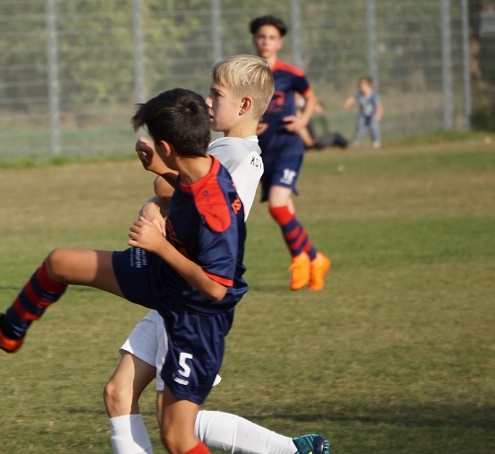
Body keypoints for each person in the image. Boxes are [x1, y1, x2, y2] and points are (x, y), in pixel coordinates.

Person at [0, 88, 246, 454]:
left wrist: (159, 245)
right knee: (60, 263)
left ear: (168, 145)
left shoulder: (215, 204)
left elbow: (216, 288)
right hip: (163, 276)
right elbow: (180, 186)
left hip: (197, 316)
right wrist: (160, 169)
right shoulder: (196, 168)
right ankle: (9, 331)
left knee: (177, 438)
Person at [104, 56, 328, 454]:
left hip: (189, 292)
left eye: (216, 94)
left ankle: (290, 451)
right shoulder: (230, 148)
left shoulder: (234, 156)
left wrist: (158, 178)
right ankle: (293, 451)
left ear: (244, 106)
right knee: (120, 394)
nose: (207, 102)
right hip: (175, 284)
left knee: (174, 425)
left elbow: (176, 191)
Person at [250, 15, 330, 292]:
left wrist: (303, 120)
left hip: (288, 146)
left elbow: (311, 97)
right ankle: (315, 259)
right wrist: (248, 123)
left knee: (277, 205)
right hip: (262, 150)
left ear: (279, 42)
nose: (265, 42)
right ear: (254, 40)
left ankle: (299, 259)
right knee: (284, 212)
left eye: (271, 37)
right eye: (261, 36)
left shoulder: (291, 75)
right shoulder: (248, 74)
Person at [342, 75, 382, 149]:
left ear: (369, 86)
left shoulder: (373, 96)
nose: (360, 87)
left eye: (362, 85)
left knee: (374, 127)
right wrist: (347, 103)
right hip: (363, 115)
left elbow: (378, 106)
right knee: (359, 127)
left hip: (372, 115)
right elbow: (352, 99)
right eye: (360, 85)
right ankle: (357, 141)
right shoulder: (359, 95)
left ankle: (376, 141)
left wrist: (378, 114)